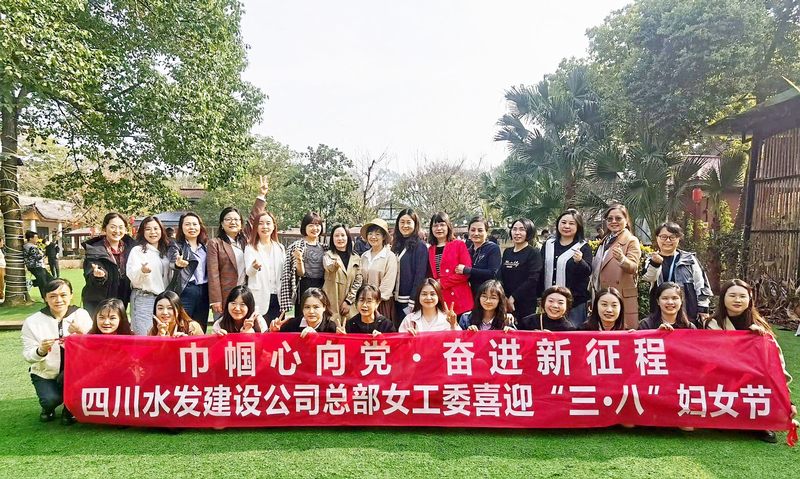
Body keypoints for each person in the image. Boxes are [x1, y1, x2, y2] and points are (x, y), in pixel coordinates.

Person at [703, 278, 797, 443]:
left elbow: (775, 360)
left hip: (754, 374)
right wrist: (747, 337)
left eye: (742, 296)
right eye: (732, 295)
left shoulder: (759, 324)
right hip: (724, 372)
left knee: (765, 375)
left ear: (750, 299)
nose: (737, 300)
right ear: (723, 298)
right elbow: (719, 353)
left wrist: (760, 339)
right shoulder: (713, 323)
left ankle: (762, 423)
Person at [21, 279, 91, 425]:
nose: (58, 300)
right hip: (45, 373)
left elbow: (95, 347)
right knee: (50, 400)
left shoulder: (81, 315)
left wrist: (81, 332)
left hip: (75, 372)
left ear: (71, 295)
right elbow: (28, 355)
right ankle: (48, 407)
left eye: (63, 295)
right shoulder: (32, 322)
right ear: (45, 298)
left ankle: (69, 408)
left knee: (76, 391)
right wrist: (41, 350)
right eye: (52, 296)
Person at [208, 176, 268, 319]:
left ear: (241, 223)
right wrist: (216, 299)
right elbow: (213, 274)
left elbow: (253, 218)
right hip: (225, 296)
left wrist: (261, 195)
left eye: (236, 219)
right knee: (223, 329)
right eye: (228, 219)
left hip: (245, 294)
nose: (233, 222)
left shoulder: (245, 240)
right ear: (222, 224)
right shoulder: (215, 243)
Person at [642, 222, 712, 327]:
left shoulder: (689, 259)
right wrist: (655, 263)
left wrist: (703, 308)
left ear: (678, 238)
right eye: (663, 237)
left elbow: (701, 285)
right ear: (657, 238)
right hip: (660, 311)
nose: (668, 240)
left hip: (688, 310)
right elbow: (648, 277)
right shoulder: (651, 258)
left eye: (672, 237)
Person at [590, 204, 641, 329]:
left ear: (626, 220)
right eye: (610, 219)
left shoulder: (631, 240)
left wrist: (622, 259)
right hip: (603, 295)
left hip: (620, 297)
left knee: (623, 335)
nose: (613, 221)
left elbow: (633, 267)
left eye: (618, 218)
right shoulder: (605, 240)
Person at [542, 209, 593, 328]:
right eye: (563, 222)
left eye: (571, 223)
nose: (566, 226)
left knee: (572, 334)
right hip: (550, 302)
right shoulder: (548, 245)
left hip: (574, 303)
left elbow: (588, 271)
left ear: (578, 226)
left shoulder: (583, 247)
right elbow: (541, 269)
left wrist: (580, 262)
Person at [81, 213, 137, 315]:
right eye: (113, 227)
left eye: (121, 227)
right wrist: (98, 276)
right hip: (98, 301)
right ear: (104, 228)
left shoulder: (131, 248)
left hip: (121, 301)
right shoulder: (94, 249)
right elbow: (90, 271)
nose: (117, 231)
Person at [126, 216, 171, 335]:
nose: (153, 232)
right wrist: (142, 271)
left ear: (161, 230)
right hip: (144, 298)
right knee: (144, 336)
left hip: (162, 300)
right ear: (142, 232)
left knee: (162, 336)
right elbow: (132, 275)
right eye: (148, 229)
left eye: (156, 228)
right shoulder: (138, 251)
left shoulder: (165, 252)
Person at [167, 212, 210, 330]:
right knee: (182, 326)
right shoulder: (176, 245)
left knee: (200, 328)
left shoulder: (205, 247)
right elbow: (173, 260)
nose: (191, 227)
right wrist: (178, 264)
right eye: (187, 224)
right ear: (181, 227)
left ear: (200, 227)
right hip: (185, 290)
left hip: (204, 292)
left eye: (195, 224)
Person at [280, 212, 326, 316]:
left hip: (322, 286)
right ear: (304, 227)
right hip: (304, 286)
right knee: (303, 317)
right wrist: (299, 259)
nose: (315, 228)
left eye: (317, 225)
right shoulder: (297, 246)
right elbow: (300, 273)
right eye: (311, 225)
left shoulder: (324, 248)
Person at [427, 212, 472, 316]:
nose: (439, 228)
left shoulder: (458, 244)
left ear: (448, 226)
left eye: (442, 225)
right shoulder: (430, 249)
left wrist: (442, 282)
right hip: (441, 298)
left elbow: (466, 272)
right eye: (435, 225)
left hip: (459, 297)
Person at [498, 218, 542, 321]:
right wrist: (504, 297)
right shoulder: (507, 252)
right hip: (505, 302)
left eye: (522, 229)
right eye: (514, 229)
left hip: (525, 302)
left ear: (529, 232)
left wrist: (513, 297)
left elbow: (533, 279)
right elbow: (500, 274)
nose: (517, 233)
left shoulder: (534, 253)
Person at [245, 211, 285, 323]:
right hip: (259, 296)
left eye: (268, 223)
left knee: (276, 329)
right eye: (260, 223)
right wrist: (254, 267)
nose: (265, 227)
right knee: (260, 329)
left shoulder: (280, 248)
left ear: (274, 226)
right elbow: (249, 272)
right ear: (256, 227)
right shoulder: (250, 247)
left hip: (277, 296)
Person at [391, 208, 429, 326]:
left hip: (408, 300)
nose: (405, 225)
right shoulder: (396, 245)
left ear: (415, 224)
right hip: (394, 299)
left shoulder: (420, 246)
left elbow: (420, 275)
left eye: (409, 222)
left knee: (407, 329)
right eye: (402, 222)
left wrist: (413, 300)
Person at [322, 224, 362, 327]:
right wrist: (335, 265)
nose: (340, 238)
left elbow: (358, 281)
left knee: (350, 331)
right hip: (332, 304)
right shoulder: (328, 255)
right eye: (336, 236)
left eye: (343, 235)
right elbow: (329, 267)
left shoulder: (356, 258)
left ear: (348, 237)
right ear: (332, 239)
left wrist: (348, 301)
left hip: (350, 306)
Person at [360, 218, 398, 323]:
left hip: (382, 303)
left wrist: (374, 301)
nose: (373, 237)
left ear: (384, 237)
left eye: (377, 234)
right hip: (365, 304)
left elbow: (388, 284)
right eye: (370, 233)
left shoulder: (389, 256)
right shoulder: (364, 256)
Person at [458, 216, 501, 300]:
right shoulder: (468, 251)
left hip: (489, 295)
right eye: (473, 230)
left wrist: (468, 270)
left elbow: (493, 273)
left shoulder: (493, 248)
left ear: (486, 232)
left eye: (480, 230)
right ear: (469, 231)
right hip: (471, 295)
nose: (476, 233)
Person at [271, 287, 338, 337]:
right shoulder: (292, 324)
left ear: (324, 307)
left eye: (316, 307)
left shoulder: (331, 327)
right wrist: (273, 331)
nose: (311, 311)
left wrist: (317, 338)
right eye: (307, 307)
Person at [24, 231, 52, 299]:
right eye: (35, 237)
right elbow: (36, 257)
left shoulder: (31, 246)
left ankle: (31, 282)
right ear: (30, 238)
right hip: (35, 266)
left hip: (38, 266)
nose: (37, 239)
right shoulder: (30, 247)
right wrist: (42, 254)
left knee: (50, 280)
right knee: (43, 282)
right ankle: (45, 297)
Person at [0, 237, 6, 303]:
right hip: (0, 267)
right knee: (1, 282)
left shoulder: (1, 250)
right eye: (2, 242)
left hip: (3, 267)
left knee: (2, 282)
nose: (3, 243)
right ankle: (1, 295)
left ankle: (1, 294)